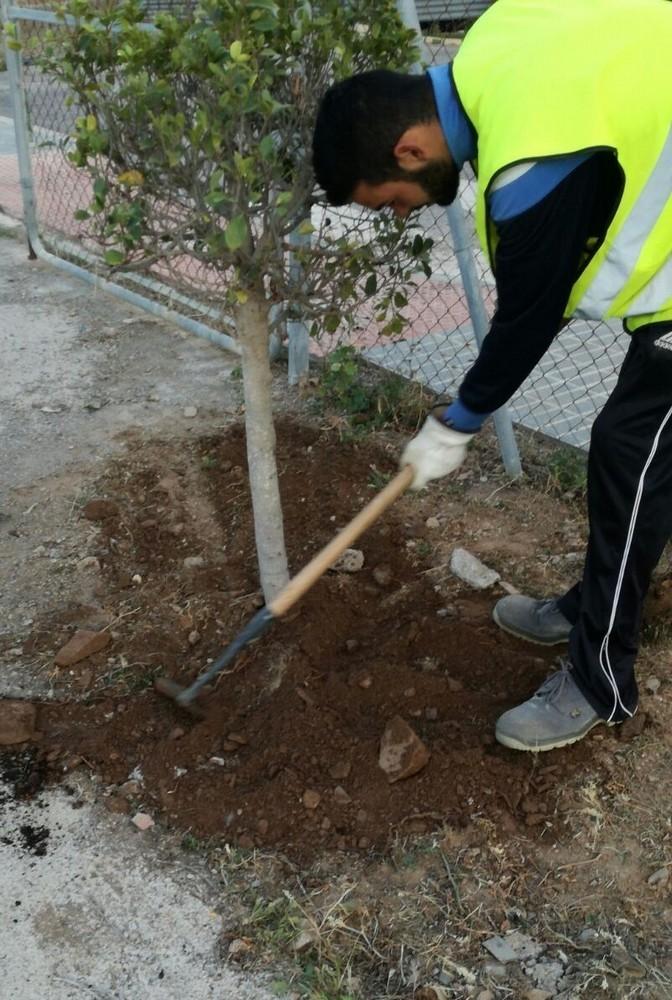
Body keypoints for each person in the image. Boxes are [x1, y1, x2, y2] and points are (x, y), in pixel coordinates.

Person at [312, 0, 672, 752]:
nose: (404, 214)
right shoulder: (498, 39)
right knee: (639, 454)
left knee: (630, 451)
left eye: (391, 203)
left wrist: (457, 421)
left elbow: (529, 318)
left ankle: (600, 679)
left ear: (409, 150)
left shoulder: (530, 162)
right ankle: (589, 607)